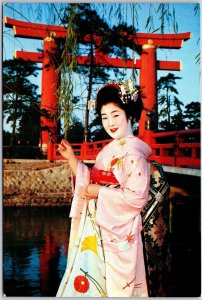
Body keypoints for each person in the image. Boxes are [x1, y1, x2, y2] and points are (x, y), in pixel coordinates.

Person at [56, 80, 152, 297]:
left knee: (116, 289)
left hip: (118, 234)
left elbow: (136, 198)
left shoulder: (134, 153)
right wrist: (72, 158)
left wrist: (99, 192)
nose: (110, 122)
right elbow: (90, 180)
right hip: (100, 227)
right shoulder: (109, 149)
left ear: (129, 115)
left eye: (116, 115)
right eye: (104, 117)